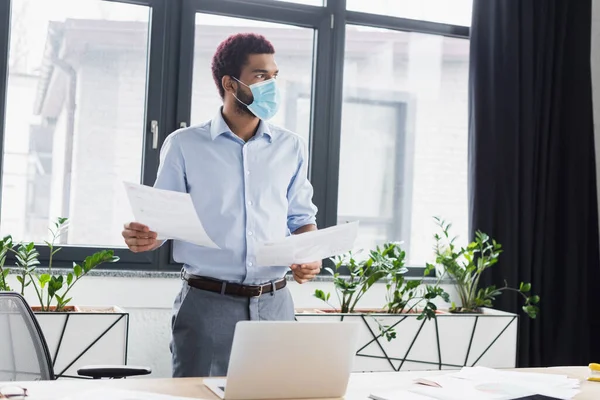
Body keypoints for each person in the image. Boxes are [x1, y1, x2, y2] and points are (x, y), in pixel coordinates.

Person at [121, 33, 321, 378]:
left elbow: (302, 218)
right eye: (261, 76)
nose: (271, 85)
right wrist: (144, 236)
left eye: (274, 76)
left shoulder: (292, 147)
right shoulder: (184, 145)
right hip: (206, 304)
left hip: (275, 303)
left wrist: (310, 254)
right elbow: (160, 224)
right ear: (231, 83)